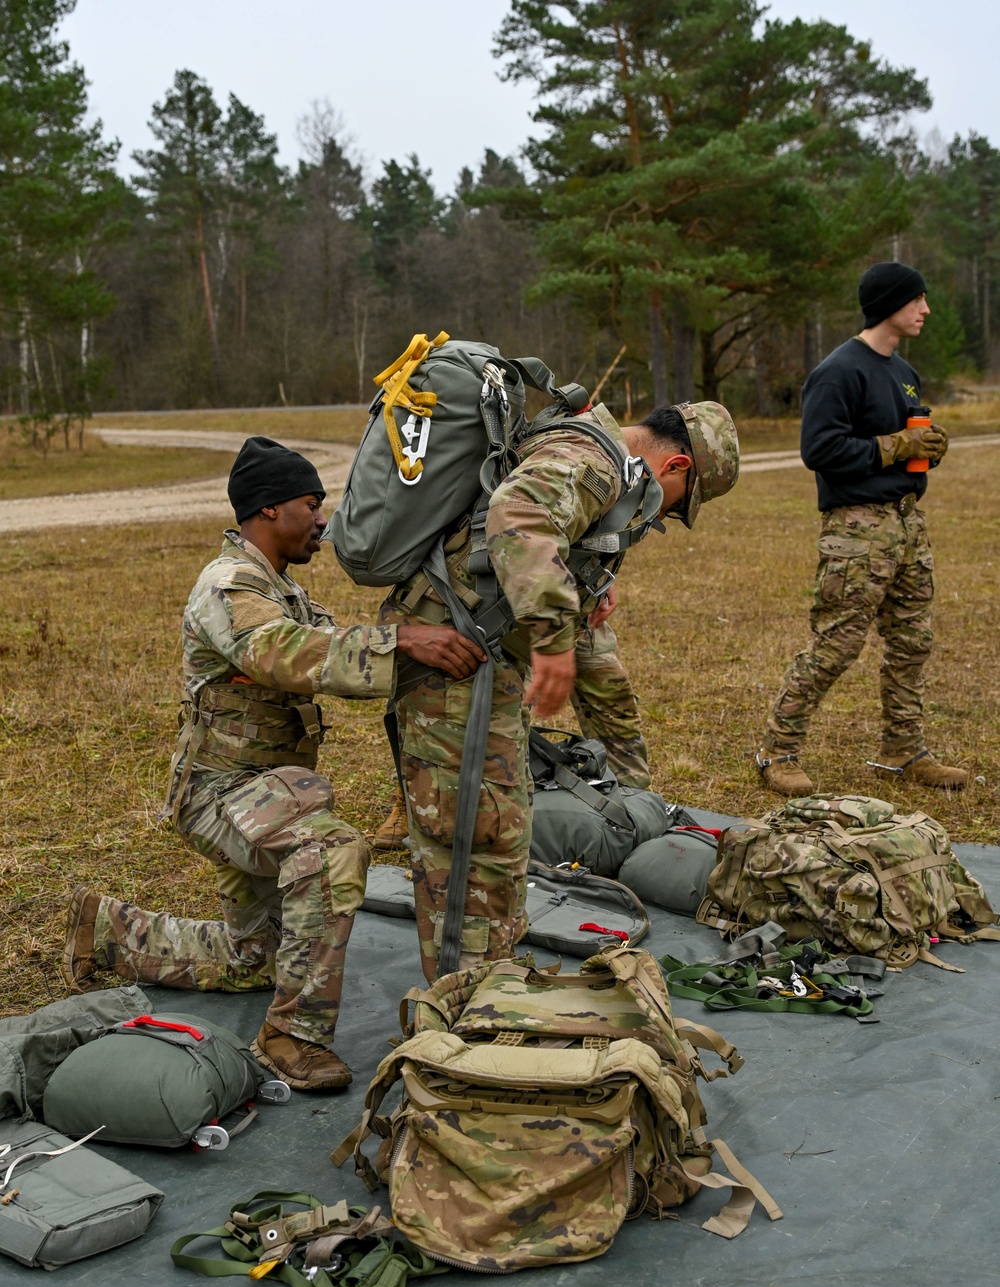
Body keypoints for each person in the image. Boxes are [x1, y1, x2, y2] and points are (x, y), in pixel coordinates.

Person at [61, 436, 482, 1089]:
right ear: (267, 510)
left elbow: (332, 646)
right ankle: (291, 1039)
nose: (323, 521)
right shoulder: (228, 586)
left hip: (266, 793)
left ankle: (109, 930)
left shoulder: (284, 591)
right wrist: (404, 641)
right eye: (311, 505)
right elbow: (283, 653)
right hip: (219, 794)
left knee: (252, 960)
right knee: (333, 851)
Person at [378, 400, 739, 981]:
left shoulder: (597, 456)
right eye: (677, 506)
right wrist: (551, 638)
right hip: (454, 656)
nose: (662, 518)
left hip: (479, 651)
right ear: (674, 465)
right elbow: (518, 514)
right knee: (467, 838)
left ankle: (489, 973)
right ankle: (461, 998)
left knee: (497, 825)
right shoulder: (593, 459)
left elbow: (556, 530)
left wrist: (593, 584)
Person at [756, 261, 968, 795]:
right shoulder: (838, 371)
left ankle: (903, 750)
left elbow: (903, 444)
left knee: (911, 642)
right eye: (916, 300)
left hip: (906, 525)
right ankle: (776, 751)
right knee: (837, 644)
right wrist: (898, 445)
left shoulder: (905, 373)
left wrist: (928, 450)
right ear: (889, 305)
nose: (925, 309)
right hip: (857, 529)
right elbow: (819, 450)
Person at [370, 582, 648, 851]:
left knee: (610, 688)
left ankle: (631, 804)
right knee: (437, 697)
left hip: (571, 584)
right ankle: (413, 801)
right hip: (482, 590)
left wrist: (604, 575)